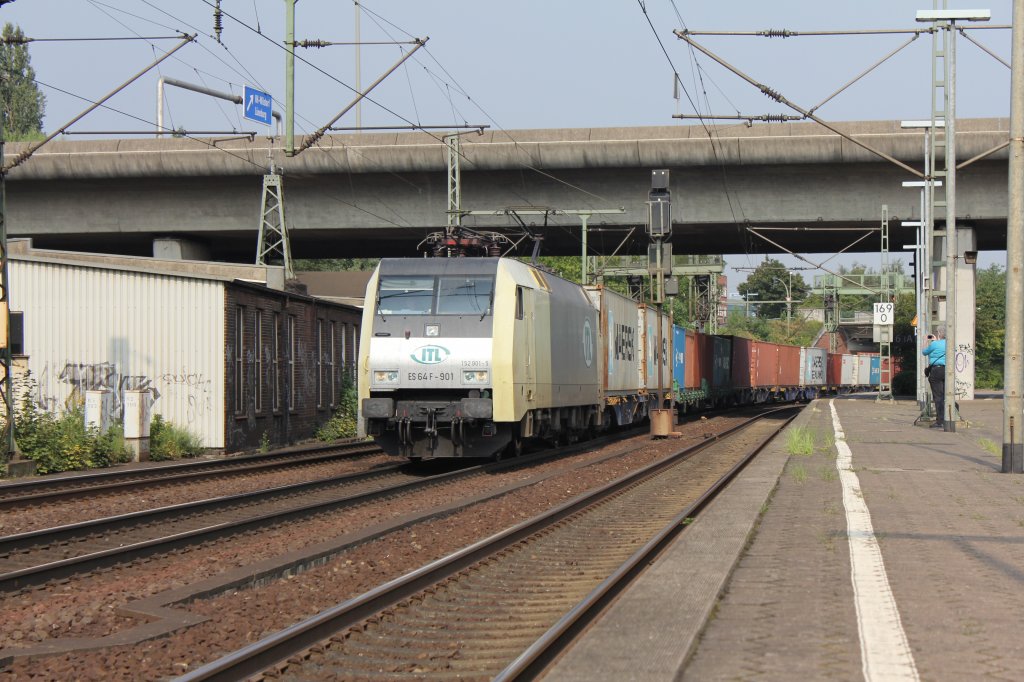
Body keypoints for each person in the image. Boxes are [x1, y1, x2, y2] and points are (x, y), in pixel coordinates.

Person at [922, 328, 947, 428]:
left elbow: (924, 352)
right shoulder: (950, 343)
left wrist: (926, 341)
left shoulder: (934, 344)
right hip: (947, 371)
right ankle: (948, 418)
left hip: (936, 370)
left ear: (939, 335)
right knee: (946, 396)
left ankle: (939, 421)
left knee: (938, 397)